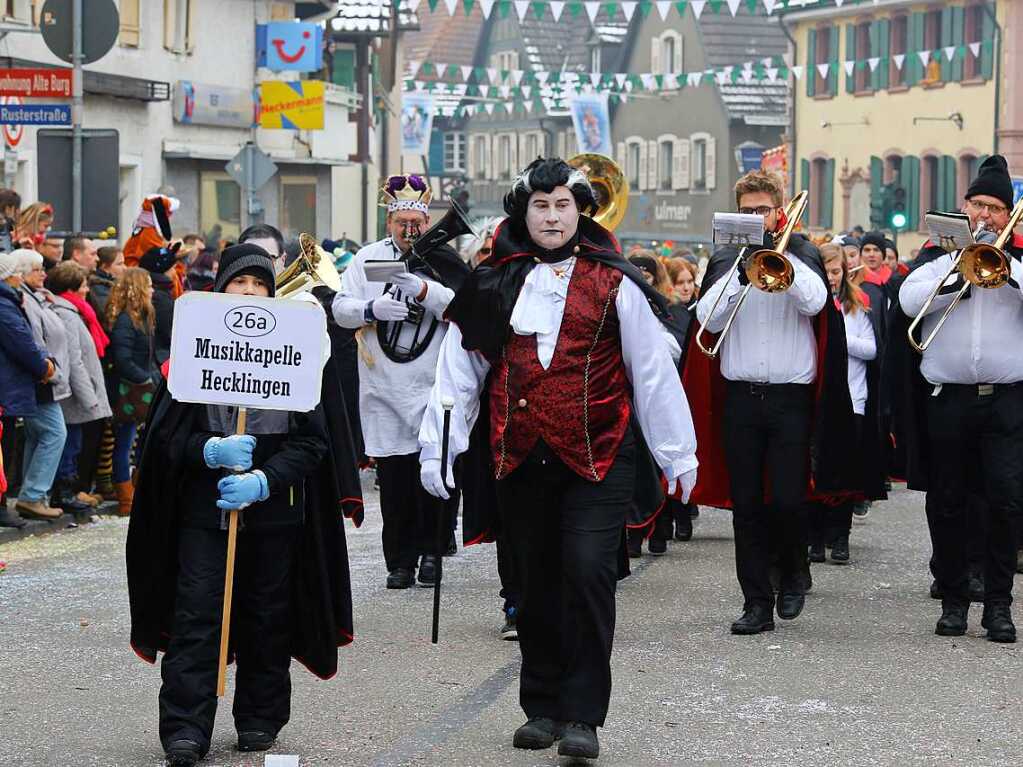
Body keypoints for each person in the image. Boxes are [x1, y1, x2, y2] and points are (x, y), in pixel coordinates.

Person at [419, 158, 698, 760]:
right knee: (535, 579)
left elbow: (649, 371)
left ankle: (583, 716)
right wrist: (439, 446)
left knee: (589, 571)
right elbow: (460, 370)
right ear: (524, 211)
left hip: (599, 450)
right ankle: (541, 706)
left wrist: (678, 451)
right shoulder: (495, 281)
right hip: (520, 453)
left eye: (563, 205)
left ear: (580, 212)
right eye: (540, 205)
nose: (551, 216)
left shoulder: (616, 282)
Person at [126, 244, 354, 767]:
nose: (249, 294)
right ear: (221, 288)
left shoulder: (297, 355)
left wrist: (265, 478)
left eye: (259, 285)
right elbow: (163, 441)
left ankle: (259, 718)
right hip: (202, 512)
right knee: (197, 614)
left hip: (275, 511)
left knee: (266, 615)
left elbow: (313, 443)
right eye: (239, 283)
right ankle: (186, 727)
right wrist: (206, 450)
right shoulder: (191, 351)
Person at [687, 170, 855, 635]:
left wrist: (778, 260)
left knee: (786, 498)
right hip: (741, 397)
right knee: (747, 506)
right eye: (747, 211)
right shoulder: (725, 258)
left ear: (778, 210)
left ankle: (794, 572)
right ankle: (756, 601)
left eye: (762, 209)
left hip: (790, 398)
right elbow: (706, 319)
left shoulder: (800, 253)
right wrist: (742, 274)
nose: (755, 217)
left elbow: (815, 303)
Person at [895, 154, 1023, 643]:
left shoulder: (1015, 265)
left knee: (1005, 503)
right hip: (948, 399)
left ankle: (998, 606)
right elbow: (907, 303)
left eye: (995, 208)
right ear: (964, 208)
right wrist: (959, 281)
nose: (986, 216)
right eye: (979, 205)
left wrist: (1005, 271)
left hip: (1007, 401)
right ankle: (952, 601)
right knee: (947, 501)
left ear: (1007, 215)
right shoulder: (938, 263)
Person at [332, 174, 469, 590]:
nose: (409, 230)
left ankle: (433, 552)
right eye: (400, 222)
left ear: (427, 221)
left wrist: (425, 290)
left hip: (431, 384)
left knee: (434, 472)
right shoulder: (368, 258)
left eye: (416, 222)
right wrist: (372, 307)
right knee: (394, 479)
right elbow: (340, 308)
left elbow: (464, 305)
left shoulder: (443, 258)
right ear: (388, 223)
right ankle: (401, 560)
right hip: (384, 385)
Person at [811, 245, 885, 564]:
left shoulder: (856, 305)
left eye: (837, 271)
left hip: (852, 398)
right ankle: (814, 537)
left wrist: (840, 337)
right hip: (816, 401)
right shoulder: (809, 303)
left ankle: (840, 536)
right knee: (814, 471)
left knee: (844, 472)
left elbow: (871, 349)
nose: (832, 277)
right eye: (826, 271)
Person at [45, 260, 113, 511]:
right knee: (71, 444)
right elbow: (75, 360)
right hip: (74, 394)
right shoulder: (68, 314)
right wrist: (90, 398)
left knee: (73, 442)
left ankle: (68, 490)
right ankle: (64, 492)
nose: (87, 290)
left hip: (76, 392)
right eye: (83, 285)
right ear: (71, 288)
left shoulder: (73, 311)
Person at [0, 251, 56, 525]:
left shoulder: (11, 300)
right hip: (7, 386)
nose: (20, 278)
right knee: (5, 445)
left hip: (11, 385)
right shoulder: (4, 304)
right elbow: (22, 342)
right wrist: (43, 367)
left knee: (8, 444)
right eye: (18, 273)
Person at [106, 267, 160, 515]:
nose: (152, 289)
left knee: (137, 442)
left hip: (142, 388)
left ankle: (136, 490)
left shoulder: (143, 316)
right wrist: (146, 378)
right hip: (129, 392)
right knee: (125, 443)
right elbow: (123, 359)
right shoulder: (127, 320)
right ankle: (125, 497)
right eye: (148, 285)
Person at [138, 246, 179, 364]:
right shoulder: (160, 299)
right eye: (173, 268)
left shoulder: (160, 292)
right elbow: (169, 333)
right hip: (161, 358)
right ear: (163, 271)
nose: (175, 273)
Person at [89, 245, 125, 320]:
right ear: (104, 267)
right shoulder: (98, 287)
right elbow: (108, 314)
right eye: (119, 264)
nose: (125, 268)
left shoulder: (114, 284)